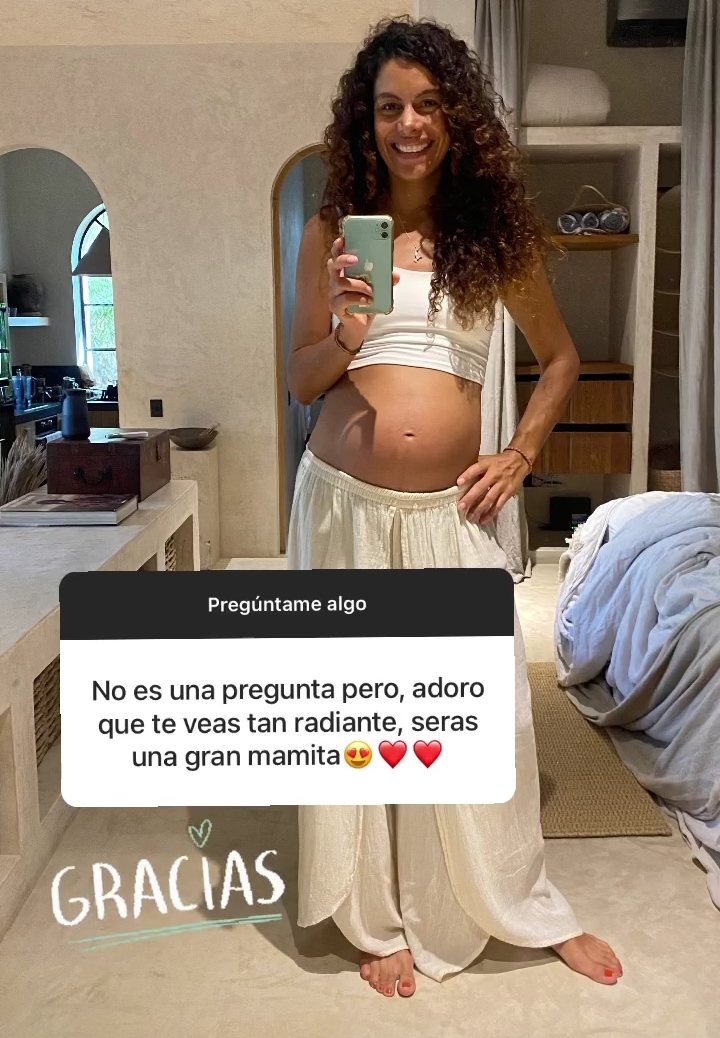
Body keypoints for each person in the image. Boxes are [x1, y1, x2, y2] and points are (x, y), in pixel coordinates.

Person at [286, 16, 623, 998]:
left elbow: (560, 360)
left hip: (450, 514)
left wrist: (521, 453)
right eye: (390, 106)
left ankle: (510, 899)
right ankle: (372, 913)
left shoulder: (493, 241)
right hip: (342, 507)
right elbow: (302, 380)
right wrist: (348, 333)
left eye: (429, 104)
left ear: (456, 119)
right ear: (365, 122)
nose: (409, 124)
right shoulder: (332, 234)